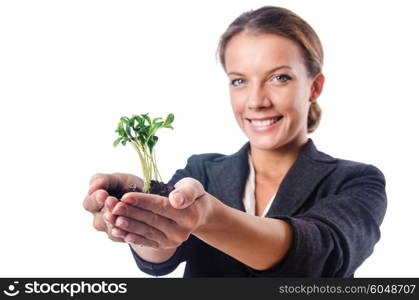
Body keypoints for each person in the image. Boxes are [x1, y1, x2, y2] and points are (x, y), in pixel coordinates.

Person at [83, 6, 387, 277]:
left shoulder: (357, 181)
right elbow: (164, 254)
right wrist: (137, 219)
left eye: (279, 78)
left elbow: (318, 258)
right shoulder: (202, 170)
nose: (256, 101)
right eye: (239, 81)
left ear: (314, 86)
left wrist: (207, 217)